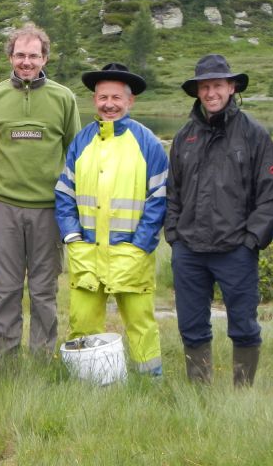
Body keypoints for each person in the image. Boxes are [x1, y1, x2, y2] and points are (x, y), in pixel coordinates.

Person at [165, 54, 273, 387]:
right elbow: (172, 192)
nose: (211, 93)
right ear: (197, 91)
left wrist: (251, 241)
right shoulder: (185, 136)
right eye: (205, 87)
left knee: (244, 326)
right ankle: (199, 393)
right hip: (189, 250)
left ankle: (242, 392)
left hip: (236, 250)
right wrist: (174, 235)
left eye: (218, 85)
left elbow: (271, 194)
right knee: (191, 325)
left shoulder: (254, 135)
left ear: (231, 87)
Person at [55, 63, 168, 376]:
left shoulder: (148, 143)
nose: (109, 104)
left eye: (116, 97)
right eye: (103, 97)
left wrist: (140, 245)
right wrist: (72, 237)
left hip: (131, 255)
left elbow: (159, 199)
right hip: (87, 254)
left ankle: (150, 384)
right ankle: (86, 384)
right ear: (94, 100)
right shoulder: (81, 141)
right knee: (82, 325)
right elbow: (64, 193)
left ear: (130, 101)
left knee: (141, 326)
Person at [0, 23, 80, 353]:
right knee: (5, 288)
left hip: (49, 209)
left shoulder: (64, 98)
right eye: (20, 54)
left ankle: (42, 358)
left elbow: (73, 150)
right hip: (4, 207)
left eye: (33, 55)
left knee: (43, 289)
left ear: (45, 58)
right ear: (10, 57)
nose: (26, 62)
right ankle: (2, 360)